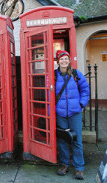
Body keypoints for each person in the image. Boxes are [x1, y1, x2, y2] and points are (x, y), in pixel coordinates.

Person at [55, 50, 89, 180]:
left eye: (66, 59)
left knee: (77, 141)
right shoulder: (53, 76)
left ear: (69, 61)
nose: (64, 61)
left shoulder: (76, 74)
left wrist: (81, 104)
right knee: (63, 140)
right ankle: (64, 164)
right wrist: (50, 111)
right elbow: (49, 94)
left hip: (75, 113)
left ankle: (79, 168)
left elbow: (85, 89)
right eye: (61, 59)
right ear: (58, 61)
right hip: (60, 113)